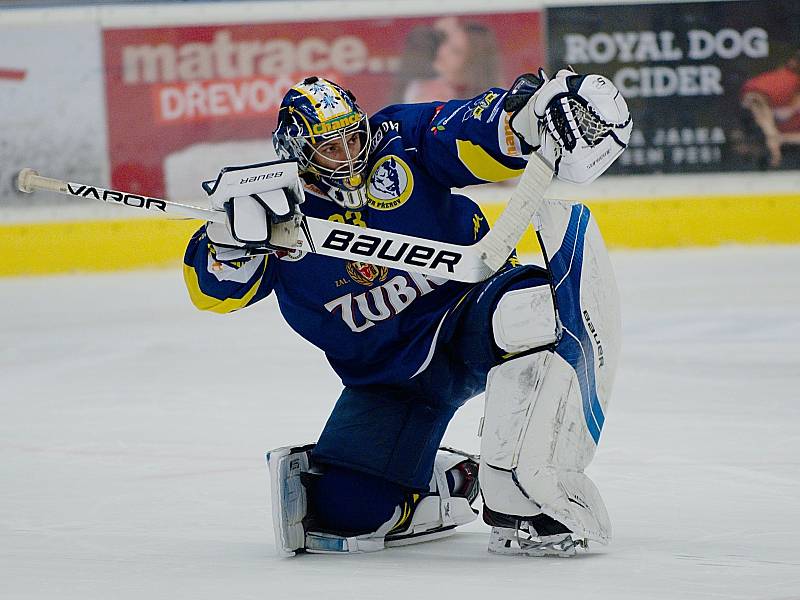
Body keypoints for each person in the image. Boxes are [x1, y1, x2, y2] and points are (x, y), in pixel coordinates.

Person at [182, 70, 632, 556]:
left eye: (354, 137)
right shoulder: (270, 211)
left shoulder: (400, 141)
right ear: (297, 151)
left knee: (533, 312)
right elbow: (214, 292)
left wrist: (521, 118)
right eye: (331, 147)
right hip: (388, 378)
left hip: (469, 317)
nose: (351, 156)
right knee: (345, 512)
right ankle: (445, 482)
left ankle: (530, 494)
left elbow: (464, 131)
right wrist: (227, 247)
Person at [394, 17, 500, 104]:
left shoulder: (485, 105)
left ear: (472, 65)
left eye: (455, 51)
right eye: (446, 41)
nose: (442, 52)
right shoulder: (419, 86)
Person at [740, 50, 800, 168]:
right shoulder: (782, 81)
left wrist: (782, 138)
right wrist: (770, 133)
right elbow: (753, 99)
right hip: (766, 149)